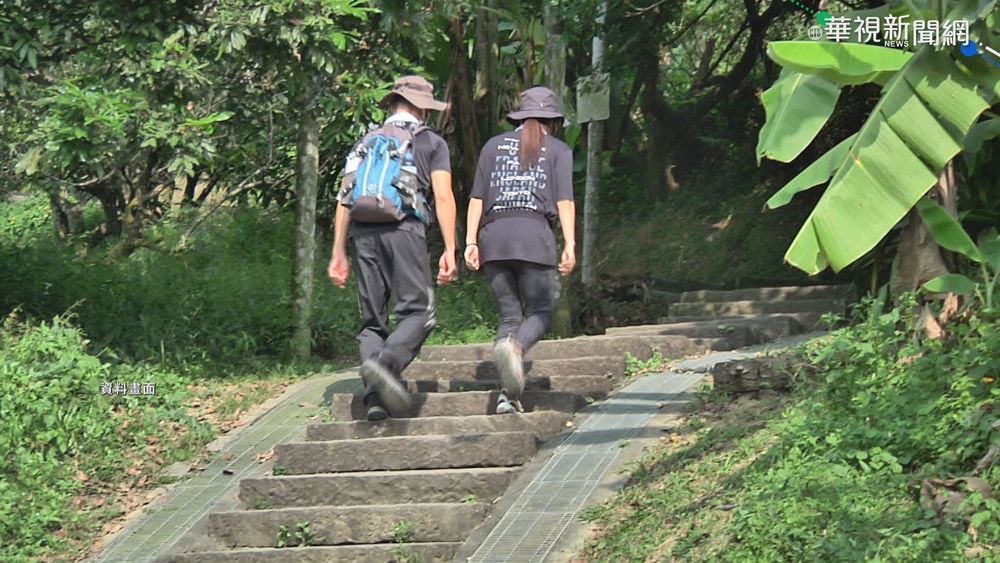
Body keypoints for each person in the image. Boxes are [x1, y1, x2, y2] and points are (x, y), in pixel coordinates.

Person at [328, 75, 458, 421]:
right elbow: (443, 196)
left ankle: (374, 399)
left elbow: (344, 198)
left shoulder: (365, 141)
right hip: (404, 230)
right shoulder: (430, 141)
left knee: (373, 322)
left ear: (393, 104)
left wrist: (337, 252)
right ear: (421, 109)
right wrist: (451, 248)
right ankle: (385, 366)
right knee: (419, 313)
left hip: (363, 234)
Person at [463, 86, 576, 415]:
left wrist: (471, 241)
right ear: (552, 123)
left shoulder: (492, 147)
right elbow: (565, 201)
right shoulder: (558, 150)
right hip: (533, 237)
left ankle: (506, 397)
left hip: (494, 238)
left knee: (509, 316)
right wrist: (569, 243)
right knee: (540, 311)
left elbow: (477, 199)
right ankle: (516, 347)